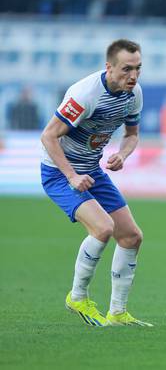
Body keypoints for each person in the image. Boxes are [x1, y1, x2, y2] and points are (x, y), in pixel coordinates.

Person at [40, 39, 151, 327]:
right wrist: (72, 176)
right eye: (127, 69)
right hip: (59, 172)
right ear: (109, 67)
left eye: (138, 68)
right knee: (103, 228)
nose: (134, 76)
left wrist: (123, 155)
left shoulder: (133, 93)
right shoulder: (85, 95)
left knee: (131, 236)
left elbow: (132, 134)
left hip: (92, 169)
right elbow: (49, 136)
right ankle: (77, 296)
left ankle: (117, 313)